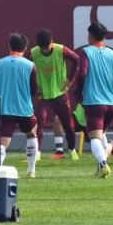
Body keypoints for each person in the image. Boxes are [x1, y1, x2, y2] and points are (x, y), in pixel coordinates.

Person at [69, 22, 113, 178]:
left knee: (94, 138)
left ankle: (103, 164)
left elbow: (82, 73)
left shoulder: (86, 52)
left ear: (90, 36)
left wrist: (78, 92)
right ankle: (103, 162)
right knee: (101, 134)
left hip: (94, 103)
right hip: (111, 104)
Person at [0, 33, 39, 178]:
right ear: (25, 48)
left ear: (9, 46)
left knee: (2, 143)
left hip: (5, 108)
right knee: (31, 134)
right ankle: (31, 170)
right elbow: (34, 90)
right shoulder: (30, 66)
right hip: (25, 109)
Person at [28, 29, 79, 160]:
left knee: (67, 124)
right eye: (42, 48)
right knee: (39, 121)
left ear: (52, 41)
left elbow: (77, 60)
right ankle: (37, 153)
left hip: (60, 93)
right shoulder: (33, 53)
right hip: (43, 94)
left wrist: (70, 80)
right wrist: (32, 85)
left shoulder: (60, 50)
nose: (45, 50)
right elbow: (23, 66)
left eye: (47, 47)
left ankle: (72, 150)